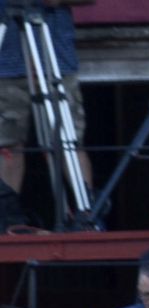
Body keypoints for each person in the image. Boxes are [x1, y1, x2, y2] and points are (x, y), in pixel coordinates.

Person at [0, 0, 91, 198]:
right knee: (6, 144)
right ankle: (6, 216)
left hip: (55, 59)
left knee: (68, 142)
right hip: (5, 62)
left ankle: (86, 214)